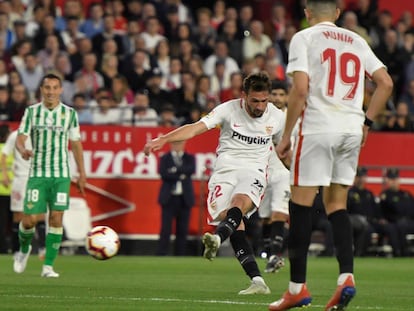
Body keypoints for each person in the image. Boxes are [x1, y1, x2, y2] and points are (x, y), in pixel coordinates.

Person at [269, 1, 393, 310]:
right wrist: (367, 123)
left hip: (317, 128)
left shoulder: (304, 37)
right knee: (337, 205)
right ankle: (346, 278)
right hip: (351, 129)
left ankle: (297, 288)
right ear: (337, 14)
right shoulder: (356, 40)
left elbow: (299, 91)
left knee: (299, 205)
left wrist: (286, 137)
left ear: (308, 13)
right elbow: (386, 83)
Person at [145, 72, 286, 295]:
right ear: (244, 96)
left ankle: (218, 238)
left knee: (239, 204)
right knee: (234, 224)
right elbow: (194, 128)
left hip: (255, 171)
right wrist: (163, 139)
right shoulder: (228, 110)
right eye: (255, 101)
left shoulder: (277, 117)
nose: (260, 107)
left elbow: (284, 148)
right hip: (225, 170)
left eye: (264, 101)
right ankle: (258, 281)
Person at [13, 73, 86, 278]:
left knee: (56, 217)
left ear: (61, 90)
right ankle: (24, 248)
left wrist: (82, 173)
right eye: (47, 88)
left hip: (61, 174)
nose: (51, 91)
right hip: (37, 174)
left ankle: (48, 266)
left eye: (55, 88)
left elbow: (76, 143)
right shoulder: (32, 112)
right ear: (41, 90)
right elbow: (21, 137)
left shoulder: (69, 114)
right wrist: (22, 149)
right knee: (29, 221)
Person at [259, 80, 291, 273]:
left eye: (281, 95)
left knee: (280, 211)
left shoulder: (292, 117)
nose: (278, 98)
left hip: (283, 172)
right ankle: (267, 251)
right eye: (275, 94)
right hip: (263, 171)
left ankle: (274, 255)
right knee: (265, 217)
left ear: (287, 97)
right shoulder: (262, 115)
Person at [1, 128, 47, 257]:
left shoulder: (42, 135)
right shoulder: (15, 135)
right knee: (18, 216)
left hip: (37, 179)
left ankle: (43, 248)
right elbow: (4, 155)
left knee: (40, 213)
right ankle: (18, 250)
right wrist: (4, 174)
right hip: (20, 180)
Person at [157, 141, 196, 256]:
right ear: (171, 145)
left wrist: (174, 170)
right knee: (165, 229)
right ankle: (162, 253)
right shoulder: (165, 158)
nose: (177, 146)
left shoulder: (189, 158)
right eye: (175, 144)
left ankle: (180, 254)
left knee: (182, 229)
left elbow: (190, 169)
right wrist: (181, 174)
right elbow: (164, 174)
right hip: (169, 198)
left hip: (184, 199)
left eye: (180, 144)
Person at [380, 168, 414, 257]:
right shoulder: (385, 196)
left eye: (395, 179)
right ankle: (400, 252)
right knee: (397, 227)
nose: (393, 182)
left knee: (402, 225)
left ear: (399, 180)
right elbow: (384, 212)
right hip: (394, 223)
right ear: (387, 180)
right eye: (391, 179)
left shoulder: (406, 194)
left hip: (408, 222)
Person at [347, 167, 377, 256]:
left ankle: (365, 252)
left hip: (369, 221)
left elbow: (374, 209)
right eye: (358, 177)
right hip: (353, 220)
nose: (360, 179)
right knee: (364, 228)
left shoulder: (369, 194)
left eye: (362, 176)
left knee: (369, 227)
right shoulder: (350, 193)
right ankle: (359, 252)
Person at [0, 124, 11, 253]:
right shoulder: (9, 151)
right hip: (11, 190)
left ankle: (2, 248)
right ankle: (14, 247)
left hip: (4, 191)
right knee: (13, 221)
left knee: (2, 222)